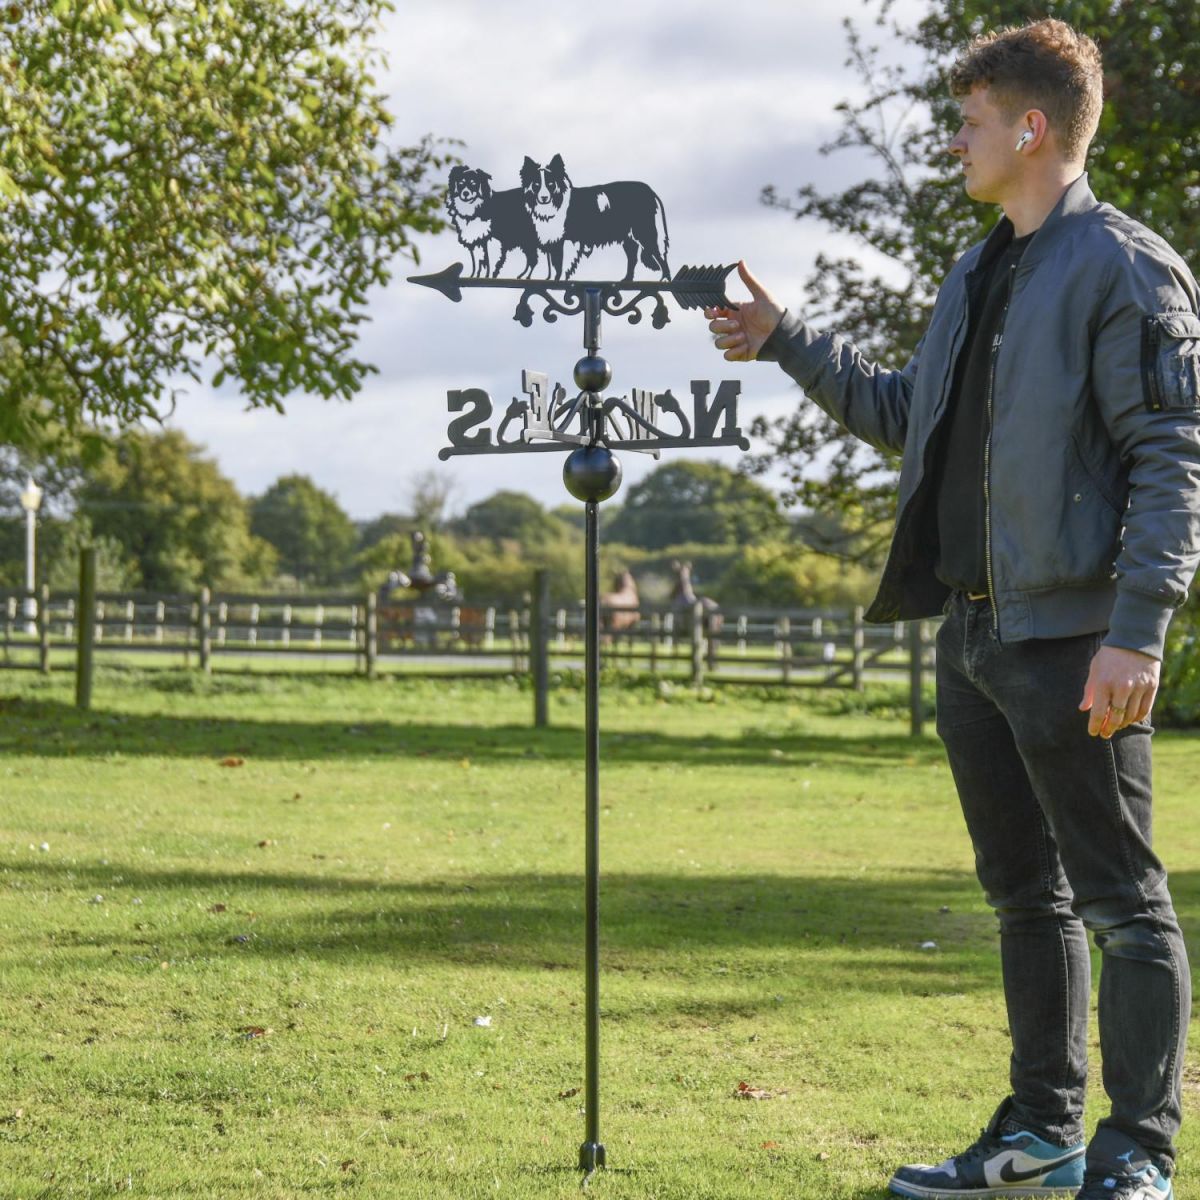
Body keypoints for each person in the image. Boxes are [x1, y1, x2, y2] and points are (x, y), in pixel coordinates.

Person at [706, 18, 1200, 1200]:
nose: (954, 140)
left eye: (970, 121)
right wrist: (783, 344)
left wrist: (1137, 632)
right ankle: (1042, 1131)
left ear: (1031, 128)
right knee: (1024, 900)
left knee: (1123, 903)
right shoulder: (978, 269)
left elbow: (1175, 458)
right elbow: (904, 416)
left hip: (1077, 640)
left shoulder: (1131, 270)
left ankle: (1138, 1153)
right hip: (973, 638)